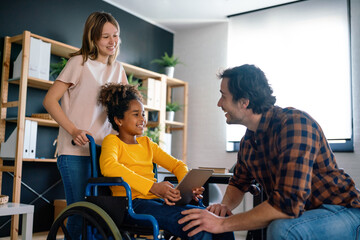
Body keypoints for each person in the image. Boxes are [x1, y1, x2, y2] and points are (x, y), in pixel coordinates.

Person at [178, 64, 360, 239]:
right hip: (304, 214)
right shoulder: (248, 141)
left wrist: (221, 224)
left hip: (342, 211)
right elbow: (239, 183)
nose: (219, 103)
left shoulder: (295, 125)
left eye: (223, 96)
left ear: (244, 102)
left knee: (283, 229)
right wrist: (222, 207)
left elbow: (287, 206)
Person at [98, 83, 235, 240]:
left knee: (220, 221)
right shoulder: (112, 141)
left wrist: (187, 188)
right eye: (136, 114)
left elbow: (178, 165)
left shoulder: (147, 144)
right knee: (197, 225)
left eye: (143, 114)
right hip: (132, 205)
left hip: (156, 202)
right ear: (118, 120)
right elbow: (110, 167)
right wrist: (153, 187)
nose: (143, 119)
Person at [43, 12, 128, 239]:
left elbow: (126, 109)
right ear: (93, 38)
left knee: (103, 215)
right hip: (75, 151)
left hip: (105, 153)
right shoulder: (78, 63)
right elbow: (50, 100)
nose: (112, 41)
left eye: (116, 36)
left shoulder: (118, 69)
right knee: (81, 213)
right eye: (105, 37)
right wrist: (73, 129)